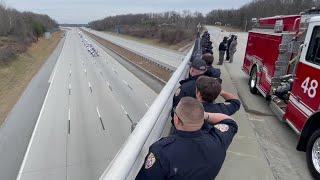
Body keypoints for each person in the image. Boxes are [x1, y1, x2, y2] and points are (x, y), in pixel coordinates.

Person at [136, 97, 238, 180]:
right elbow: (230, 121)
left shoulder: (161, 152)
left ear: (176, 120)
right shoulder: (218, 141)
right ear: (202, 119)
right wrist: (206, 115)